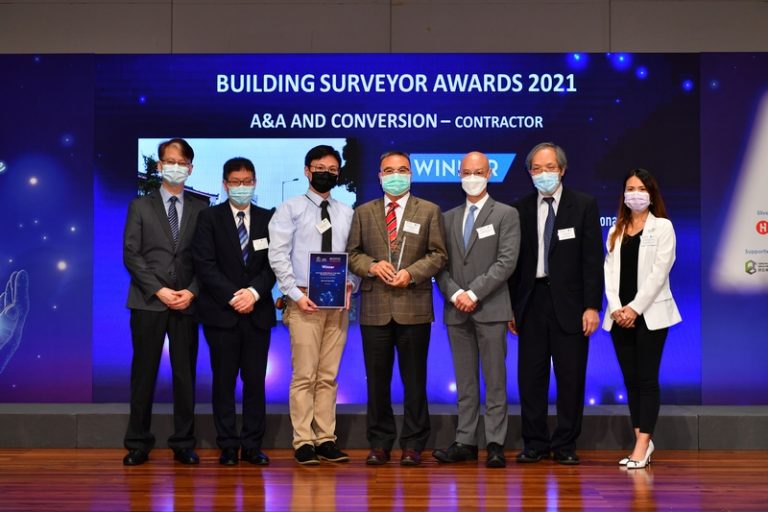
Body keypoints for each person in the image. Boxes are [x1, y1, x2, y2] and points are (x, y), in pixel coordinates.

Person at [347, 151, 448, 466]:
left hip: (413, 306)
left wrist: (412, 273)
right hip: (375, 308)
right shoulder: (363, 212)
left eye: (402, 170)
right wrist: (372, 265)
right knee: (377, 381)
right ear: (379, 176)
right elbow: (352, 254)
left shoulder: (429, 210)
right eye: (389, 171)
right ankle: (379, 443)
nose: (396, 175)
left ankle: (414, 444)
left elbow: (438, 254)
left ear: (411, 175)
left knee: (414, 381)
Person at [507, 142, 603, 465]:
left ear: (562, 170)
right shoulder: (520, 209)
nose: (543, 173)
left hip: (571, 304)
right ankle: (534, 442)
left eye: (549, 167)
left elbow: (592, 260)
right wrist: (511, 307)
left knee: (571, 376)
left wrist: (592, 306)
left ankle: (565, 444)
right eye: (537, 168)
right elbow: (514, 263)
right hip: (531, 302)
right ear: (529, 173)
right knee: (531, 377)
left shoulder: (584, 205)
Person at [268, 144, 359, 465]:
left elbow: (354, 256)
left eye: (333, 170)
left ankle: (326, 439)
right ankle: (303, 440)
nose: (326, 174)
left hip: (338, 303)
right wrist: (294, 294)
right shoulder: (289, 209)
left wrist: (351, 285)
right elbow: (278, 255)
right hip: (303, 300)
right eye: (320, 168)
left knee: (328, 375)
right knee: (305, 374)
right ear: (307, 171)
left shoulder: (347, 213)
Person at [433, 151, 521, 468]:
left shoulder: (506, 214)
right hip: (457, 311)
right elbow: (439, 264)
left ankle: (495, 442)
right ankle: (465, 441)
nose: (472, 177)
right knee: (465, 381)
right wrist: (457, 293)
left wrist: (473, 292)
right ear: (460, 174)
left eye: (478, 172)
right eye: (467, 172)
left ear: (489, 174)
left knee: (495, 381)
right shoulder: (447, 218)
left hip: (492, 308)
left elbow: (506, 262)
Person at [122, 138, 206, 466]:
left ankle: (183, 442)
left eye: (182, 163)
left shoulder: (201, 209)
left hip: (186, 303)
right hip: (148, 301)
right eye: (169, 161)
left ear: (190, 169)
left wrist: (192, 291)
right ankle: (138, 443)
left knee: (185, 375)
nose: (175, 167)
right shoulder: (140, 206)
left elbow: (206, 259)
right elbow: (131, 254)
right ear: (159, 166)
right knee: (143, 374)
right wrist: (159, 290)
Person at [192, 157, 276, 466]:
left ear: (255, 183)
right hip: (221, 315)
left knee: (255, 382)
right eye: (236, 182)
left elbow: (274, 264)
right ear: (225, 184)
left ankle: (253, 445)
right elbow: (204, 264)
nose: (242, 187)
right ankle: (227, 444)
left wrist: (253, 293)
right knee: (223, 382)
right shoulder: (209, 218)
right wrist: (233, 296)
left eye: (247, 181)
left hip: (257, 313)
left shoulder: (269, 218)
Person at [603, 168, 681, 469]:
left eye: (641, 189)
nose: (635, 194)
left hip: (649, 315)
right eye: (630, 189)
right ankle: (642, 442)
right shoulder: (616, 229)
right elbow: (609, 272)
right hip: (619, 316)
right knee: (631, 381)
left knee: (647, 380)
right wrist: (616, 308)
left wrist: (634, 308)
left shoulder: (663, 227)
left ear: (651, 194)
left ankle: (642, 444)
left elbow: (660, 273)